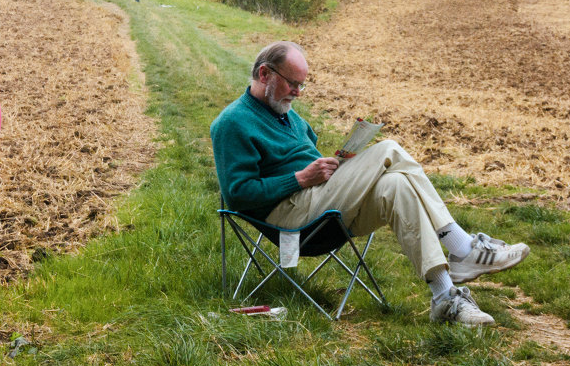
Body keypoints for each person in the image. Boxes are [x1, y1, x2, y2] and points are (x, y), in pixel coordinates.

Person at [210, 41, 529, 326]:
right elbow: (238, 194)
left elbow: (305, 161)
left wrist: (335, 166)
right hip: (290, 220)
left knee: (397, 186)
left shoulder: (291, 116)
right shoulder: (232, 123)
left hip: (321, 205)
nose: (297, 92)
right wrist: (302, 177)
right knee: (389, 148)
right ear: (265, 74)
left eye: (302, 85)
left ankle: (445, 298)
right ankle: (463, 248)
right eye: (292, 83)